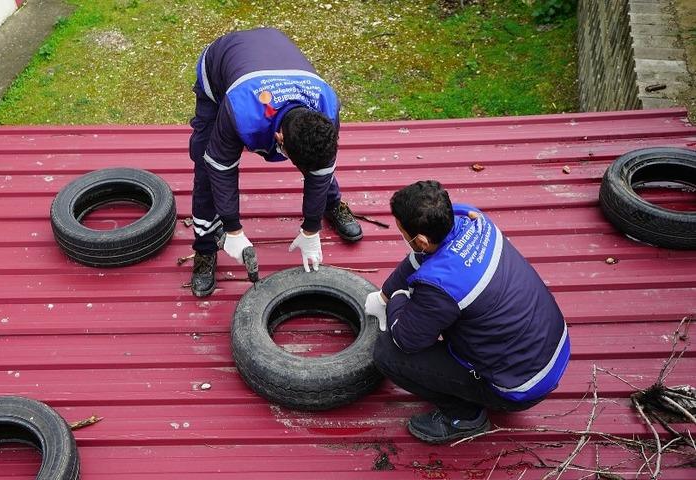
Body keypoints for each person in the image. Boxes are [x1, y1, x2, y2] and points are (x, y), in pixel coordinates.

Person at [364, 180, 569, 444]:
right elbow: (419, 258)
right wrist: (386, 292)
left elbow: (407, 338)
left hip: (520, 385)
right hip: (548, 348)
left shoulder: (440, 288)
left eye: (402, 231)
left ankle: (466, 418)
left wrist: (398, 299)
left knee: (387, 354)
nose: (401, 235)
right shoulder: (470, 219)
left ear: (422, 239)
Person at [187, 28, 363, 297]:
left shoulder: (327, 105)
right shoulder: (240, 110)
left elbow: (321, 166)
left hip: (274, 54)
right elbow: (220, 167)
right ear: (278, 137)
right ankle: (205, 248)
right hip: (222, 66)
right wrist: (233, 229)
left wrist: (311, 228)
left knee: (315, 157)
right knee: (205, 160)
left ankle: (332, 204)